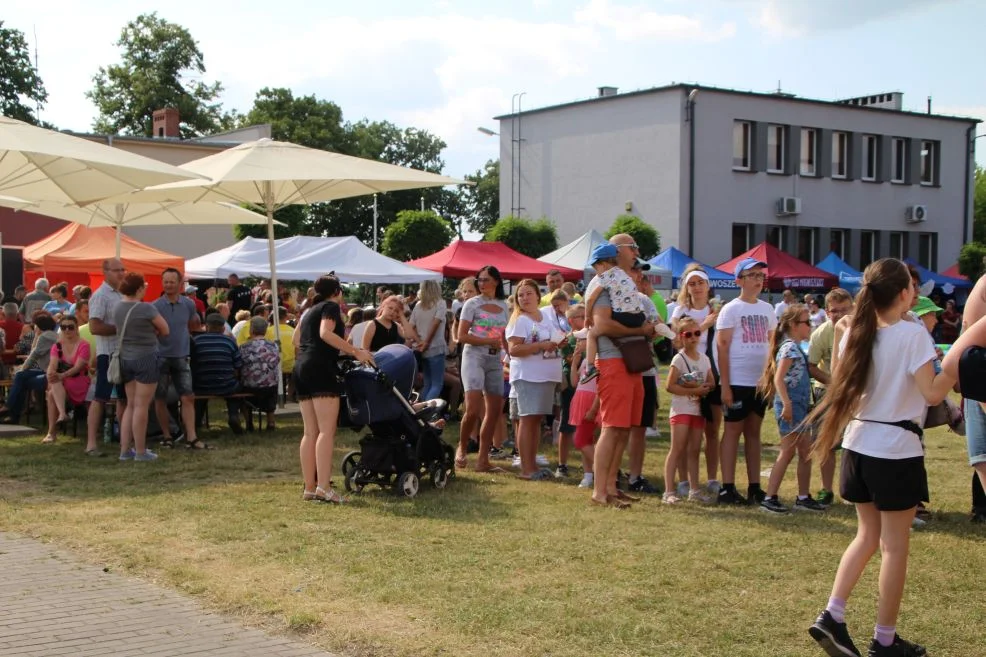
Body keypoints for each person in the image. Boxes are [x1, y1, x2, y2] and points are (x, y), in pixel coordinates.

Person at [806, 258, 956, 657]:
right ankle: (884, 639)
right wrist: (956, 362)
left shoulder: (855, 329)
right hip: (894, 449)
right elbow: (933, 394)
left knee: (866, 537)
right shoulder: (911, 334)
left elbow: (842, 384)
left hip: (857, 444)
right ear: (905, 293)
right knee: (893, 548)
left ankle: (832, 615)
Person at [589, 234, 658, 508]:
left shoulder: (622, 284)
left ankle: (610, 487)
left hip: (629, 362)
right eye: (633, 247)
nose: (637, 252)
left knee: (623, 428)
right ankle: (599, 491)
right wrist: (639, 331)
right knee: (612, 427)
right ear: (617, 252)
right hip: (613, 361)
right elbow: (602, 326)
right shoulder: (602, 283)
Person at [294, 274, 373, 503]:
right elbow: (325, 333)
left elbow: (297, 340)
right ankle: (324, 488)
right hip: (320, 369)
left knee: (310, 431)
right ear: (337, 291)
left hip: (302, 367)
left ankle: (310, 487)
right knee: (326, 431)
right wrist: (355, 351)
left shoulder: (308, 310)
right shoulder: (329, 306)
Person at [715, 258, 775, 506]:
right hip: (738, 380)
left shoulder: (768, 309)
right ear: (739, 280)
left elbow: (772, 347)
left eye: (760, 275)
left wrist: (770, 380)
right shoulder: (731, 309)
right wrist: (726, 385)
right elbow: (722, 346)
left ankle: (754, 486)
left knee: (753, 433)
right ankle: (727, 487)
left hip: (759, 382)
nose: (758, 280)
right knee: (732, 431)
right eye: (752, 275)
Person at [757, 304, 826, 514]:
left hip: (799, 406)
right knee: (787, 452)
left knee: (805, 452)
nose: (810, 327)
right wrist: (786, 404)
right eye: (807, 323)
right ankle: (770, 498)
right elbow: (779, 379)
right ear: (794, 325)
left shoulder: (796, 347)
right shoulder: (789, 348)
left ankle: (803, 497)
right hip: (791, 407)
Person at [670, 265, 723, 495]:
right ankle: (683, 480)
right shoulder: (680, 311)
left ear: (708, 286)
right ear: (686, 287)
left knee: (711, 430)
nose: (697, 287)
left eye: (700, 283)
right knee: (684, 431)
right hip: (687, 371)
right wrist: (702, 327)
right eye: (692, 283)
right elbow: (676, 342)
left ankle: (711, 477)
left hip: (712, 369)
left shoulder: (717, 310)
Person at [507, 279, 564, 480]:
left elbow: (552, 338)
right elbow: (514, 349)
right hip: (528, 376)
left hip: (545, 376)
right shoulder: (520, 320)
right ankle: (527, 469)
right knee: (527, 420)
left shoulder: (545, 316)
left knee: (536, 421)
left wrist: (559, 342)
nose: (525, 298)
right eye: (520, 295)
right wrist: (541, 345)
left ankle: (532, 466)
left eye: (529, 293)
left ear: (538, 296)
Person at [456, 265, 509, 473]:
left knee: (494, 411)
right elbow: (461, 336)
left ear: (496, 281)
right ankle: (461, 448)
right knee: (472, 409)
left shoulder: (504, 306)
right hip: (474, 357)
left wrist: (509, 353)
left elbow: (504, 336)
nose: (481, 283)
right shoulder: (472, 304)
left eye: (485, 280)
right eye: (479, 280)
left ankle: (483, 460)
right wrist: (489, 340)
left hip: (495, 360)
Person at [114, 272, 169, 462]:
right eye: (144, 285)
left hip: (125, 358)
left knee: (130, 404)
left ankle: (124, 449)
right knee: (142, 406)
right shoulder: (146, 308)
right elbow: (165, 329)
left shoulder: (118, 307)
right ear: (138, 289)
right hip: (146, 357)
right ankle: (140, 451)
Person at [807, 287, 854, 506]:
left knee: (854, 443)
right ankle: (826, 489)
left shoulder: (861, 330)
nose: (839, 315)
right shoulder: (820, 333)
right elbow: (811, 366)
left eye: (844, 310)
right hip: (825, 392)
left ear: (853, 308)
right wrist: (833, 383)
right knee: (826, 443)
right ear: (827, 311)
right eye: (834, 311)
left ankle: (853, 490)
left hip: (855, 394)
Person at [152, 268, 206, 450]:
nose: (168, 285)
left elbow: (192, 323)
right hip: (160, 356)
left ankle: (191, 436)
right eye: (165, 281)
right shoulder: (155, 306)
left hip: (181, 355)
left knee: (188, 396)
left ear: (180, 283)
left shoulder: (188, 304)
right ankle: (167, 435)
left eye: (171, 282)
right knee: (160, 397)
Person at [663, 316, 715, 504]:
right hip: (681, 409)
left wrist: (703, 386)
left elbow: (712, 382)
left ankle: (694, 489)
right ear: (681, 337)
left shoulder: (705, 359)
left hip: (697, 410)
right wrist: (692, 389)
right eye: (689, 334)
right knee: (677, 449)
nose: (694, 338)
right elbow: (669, 386)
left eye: (697, 333)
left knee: (694, 450)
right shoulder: (679, 358)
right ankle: (669, 491)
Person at [86, 259, 127, 458]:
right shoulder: (100, 296)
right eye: (117, 270)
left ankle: (125, 443)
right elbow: (94, 327)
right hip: (107, 353)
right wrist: (121, 329)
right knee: (100, 397)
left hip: (123, 352)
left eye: (123, 269)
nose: (121, 273)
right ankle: (91, 443)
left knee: (123, 398)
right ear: (105, 272)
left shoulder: (123, 293)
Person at [959, 273, 986, 523]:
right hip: (981, 375)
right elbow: (968, 334)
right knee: (983, 456)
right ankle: (981, 508)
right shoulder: (985, 284)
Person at [191, 314, 245, 435]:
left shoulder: (196, 341)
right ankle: (233, 415)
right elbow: (238, 367)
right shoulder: (230, 342)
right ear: (222, 328)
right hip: (226, 385)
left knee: (199, 393)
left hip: (201, 386)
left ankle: (197, 420)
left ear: (207, 327)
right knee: (235, 389)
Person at [0, 313, 58, 424]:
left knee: (21, 377)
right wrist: (36, 335)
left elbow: (34, 355)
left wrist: (22, 368)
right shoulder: (49, 335)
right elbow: (34, 351)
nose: (33, 327)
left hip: (49, 373)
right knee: (21, 380)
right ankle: (12, 415)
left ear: (39, 326)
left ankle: (10, 410)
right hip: (44, 370)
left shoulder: (46, 337)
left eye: (35, 325)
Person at [42, 314, 91, 443]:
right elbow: (52, 365)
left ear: (76, 328)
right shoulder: (57, 346)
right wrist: (50, 374)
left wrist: (60, 375)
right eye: (63, 327)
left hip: (78, 381)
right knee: (53, 389)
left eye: (70, 327)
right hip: (62, 383)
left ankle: (52, 432)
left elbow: (78, 367)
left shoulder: (84, 345)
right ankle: (62, 415)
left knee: (52, 391)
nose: (67, 330)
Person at [568, 327, 599, 489]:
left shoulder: (598, 360)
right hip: (580, 401)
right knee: (586, 440)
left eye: (582, 340)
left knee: (579, 439)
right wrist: (574, 364)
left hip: (591, 403)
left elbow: (601, 387)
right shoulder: (586, 361)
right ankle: (588, 475)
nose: (578, 343)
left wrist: (594, 408)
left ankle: (605, 470)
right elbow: (574, 383)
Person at [408, 280, 448, 402]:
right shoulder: (440, 303)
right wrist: (427, 342)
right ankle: (426, 413)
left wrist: (420, 342)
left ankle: (420, 412)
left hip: (420, 349)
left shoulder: (418, 305)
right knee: (436, 384)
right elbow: (435, 324)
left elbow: (411, 327)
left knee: (427, 383)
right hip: (435, 347)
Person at [241, 316, 281, 431]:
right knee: (272, 383)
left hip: (249, 386)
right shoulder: (274, 346)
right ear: (265, 330)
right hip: (269, 387)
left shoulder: (244, 347)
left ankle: (249, 423)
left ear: (251, 330)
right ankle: (271, 421)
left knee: (242, 390)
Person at [1, 302, 25, 370]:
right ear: (18, 315)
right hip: (19, 362)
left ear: (3, 314)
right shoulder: (24, 328)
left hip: (2, 361)